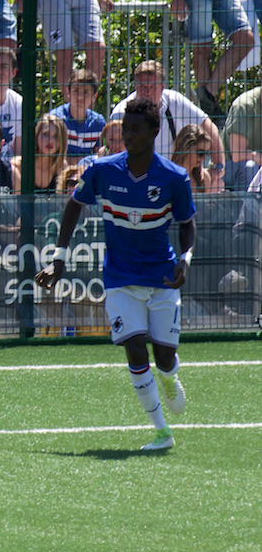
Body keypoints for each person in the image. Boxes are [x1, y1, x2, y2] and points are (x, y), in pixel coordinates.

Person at [36, 97, 193, 451]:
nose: (129, 135)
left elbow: (186, 224)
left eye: (137, 129)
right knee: (136, 350)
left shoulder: (174, 177)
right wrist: (58, 258)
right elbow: (74, 204)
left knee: (164, 357)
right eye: (125, 128)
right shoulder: (102, 170)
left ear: (154, 132)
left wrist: (185, 259)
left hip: (162, 278)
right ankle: (161, 432)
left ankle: (168, 376)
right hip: (120, 278)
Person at [109, 60, 223, 169]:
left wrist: (218, 167)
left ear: (163, 87)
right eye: (142, 86)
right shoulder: (121, 113)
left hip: (172, 173)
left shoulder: (175, 101)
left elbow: (208, 126)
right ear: (135, 86)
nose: (147, 92)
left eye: (152, 87)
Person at [49, 68, 105, 159]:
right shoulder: (56, 118)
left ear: (94, 96)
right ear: (68, 92)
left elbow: (100, 157)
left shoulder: (99, 123)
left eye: (85, 92)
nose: (80, 97)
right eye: (76, 91)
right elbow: (52, 158)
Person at [13, 114, 69, 194]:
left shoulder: (61, 167)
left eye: (56, 136)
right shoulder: (19, 165)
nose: (50, 140)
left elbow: (61, 203)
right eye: (45, 134)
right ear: (36, 136)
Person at [171, 124, 223, 194]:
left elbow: (206, 204)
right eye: (200, 153)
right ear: (185, 149)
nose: (204, 158)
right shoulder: (168, 176)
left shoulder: (204, 178)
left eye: (207, 153)